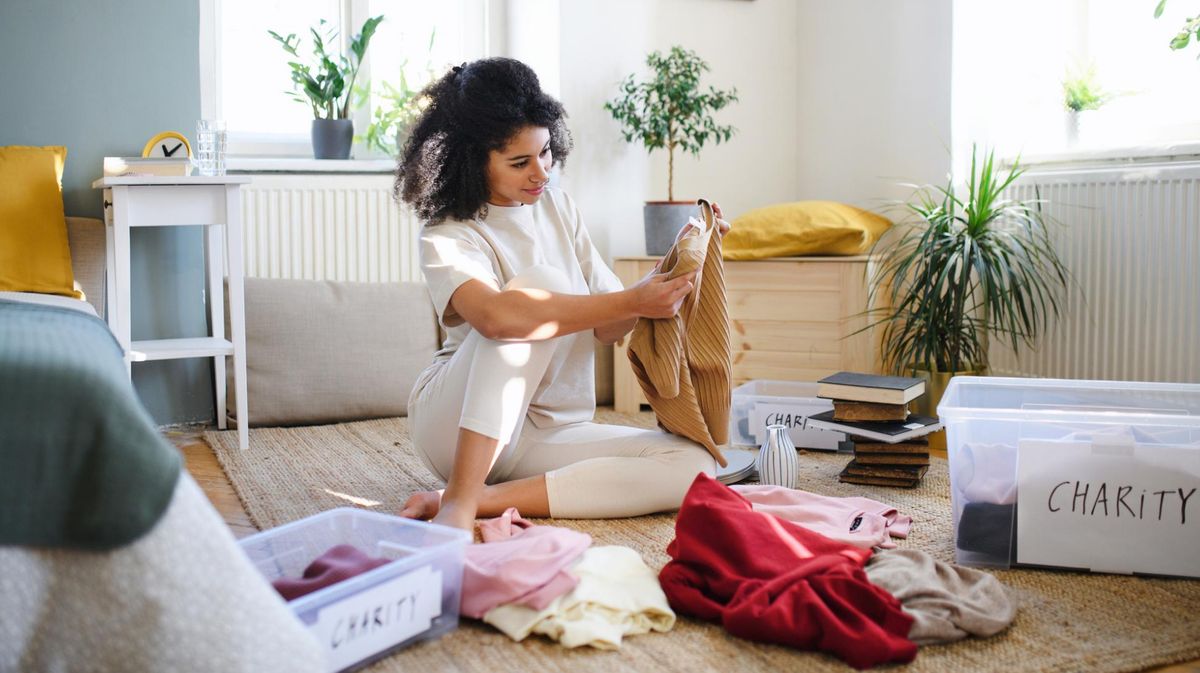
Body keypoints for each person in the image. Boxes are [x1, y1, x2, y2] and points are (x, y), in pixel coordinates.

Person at [394, 57, 729, 531]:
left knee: (696, 465)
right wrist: (631, 300)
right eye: (520, 162)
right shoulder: (447, 233)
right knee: (539, 289)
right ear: (471, 160)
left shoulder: (558, 206)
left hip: (551, 430)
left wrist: (673, 270)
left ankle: (480, 499)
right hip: (456, 428)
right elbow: (497, 318)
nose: (542, 172)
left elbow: (611, 324)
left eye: (546, 152)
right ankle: (460, 499)